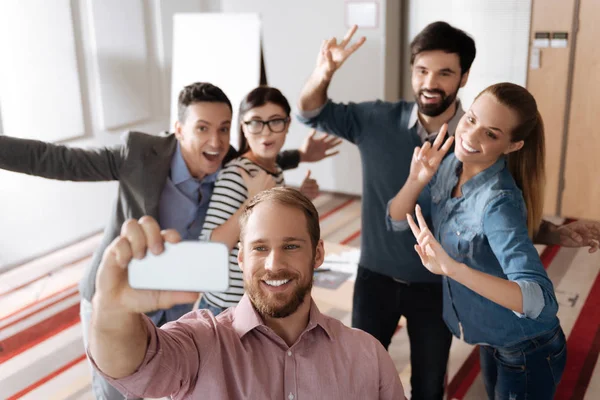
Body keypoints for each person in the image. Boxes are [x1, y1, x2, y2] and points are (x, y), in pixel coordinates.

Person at [296, 22, 600, 399]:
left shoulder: (474, 157)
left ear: (464, 77)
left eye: (444, 73)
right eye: (422, 70)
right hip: (386, 279)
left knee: (428, 385)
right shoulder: (413, 142)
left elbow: (499, 222)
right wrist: (324, 71)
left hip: (441, 289)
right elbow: (310, 114)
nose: (430, 82)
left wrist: (544, 233)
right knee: (358, 373)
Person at [0, 82, 341, 399]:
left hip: (175, 302)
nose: (216, 141)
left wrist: (301, 156)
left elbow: (260, 156)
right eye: (202, 128)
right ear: (179, 130)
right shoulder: (139, 153)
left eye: (224, 128)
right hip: (118, 293)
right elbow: (55, 160)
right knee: (116, 388)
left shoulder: (226, 165)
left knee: (166, 382)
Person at [87, 187, 405, 400]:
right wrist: (112, 312)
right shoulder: (199, 343)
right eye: (260, 248)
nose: (274, 264)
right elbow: (133, 365)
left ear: (318, 254)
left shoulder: (368, 356)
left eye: (291, 246)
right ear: (240, 258)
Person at [388, 82, 566, 399]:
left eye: (491, 134)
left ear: (512, 146)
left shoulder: (498, 203)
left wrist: (453, 269)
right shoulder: (450, 167)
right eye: (471, 120)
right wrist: (416, 180)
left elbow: (541, 302)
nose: (470, 136)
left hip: (527, 348)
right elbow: (396, 220)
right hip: (492, 335)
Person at [199, 86, 323, 314]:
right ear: (243, 128)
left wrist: (297, 200)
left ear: (287, 125)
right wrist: (250, 202)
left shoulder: (273, 169)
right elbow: (210, 249)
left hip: (254, 301)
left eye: (275, 121)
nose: (265, 133)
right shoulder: (237, 174)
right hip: (226, 306)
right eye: (255, 123)